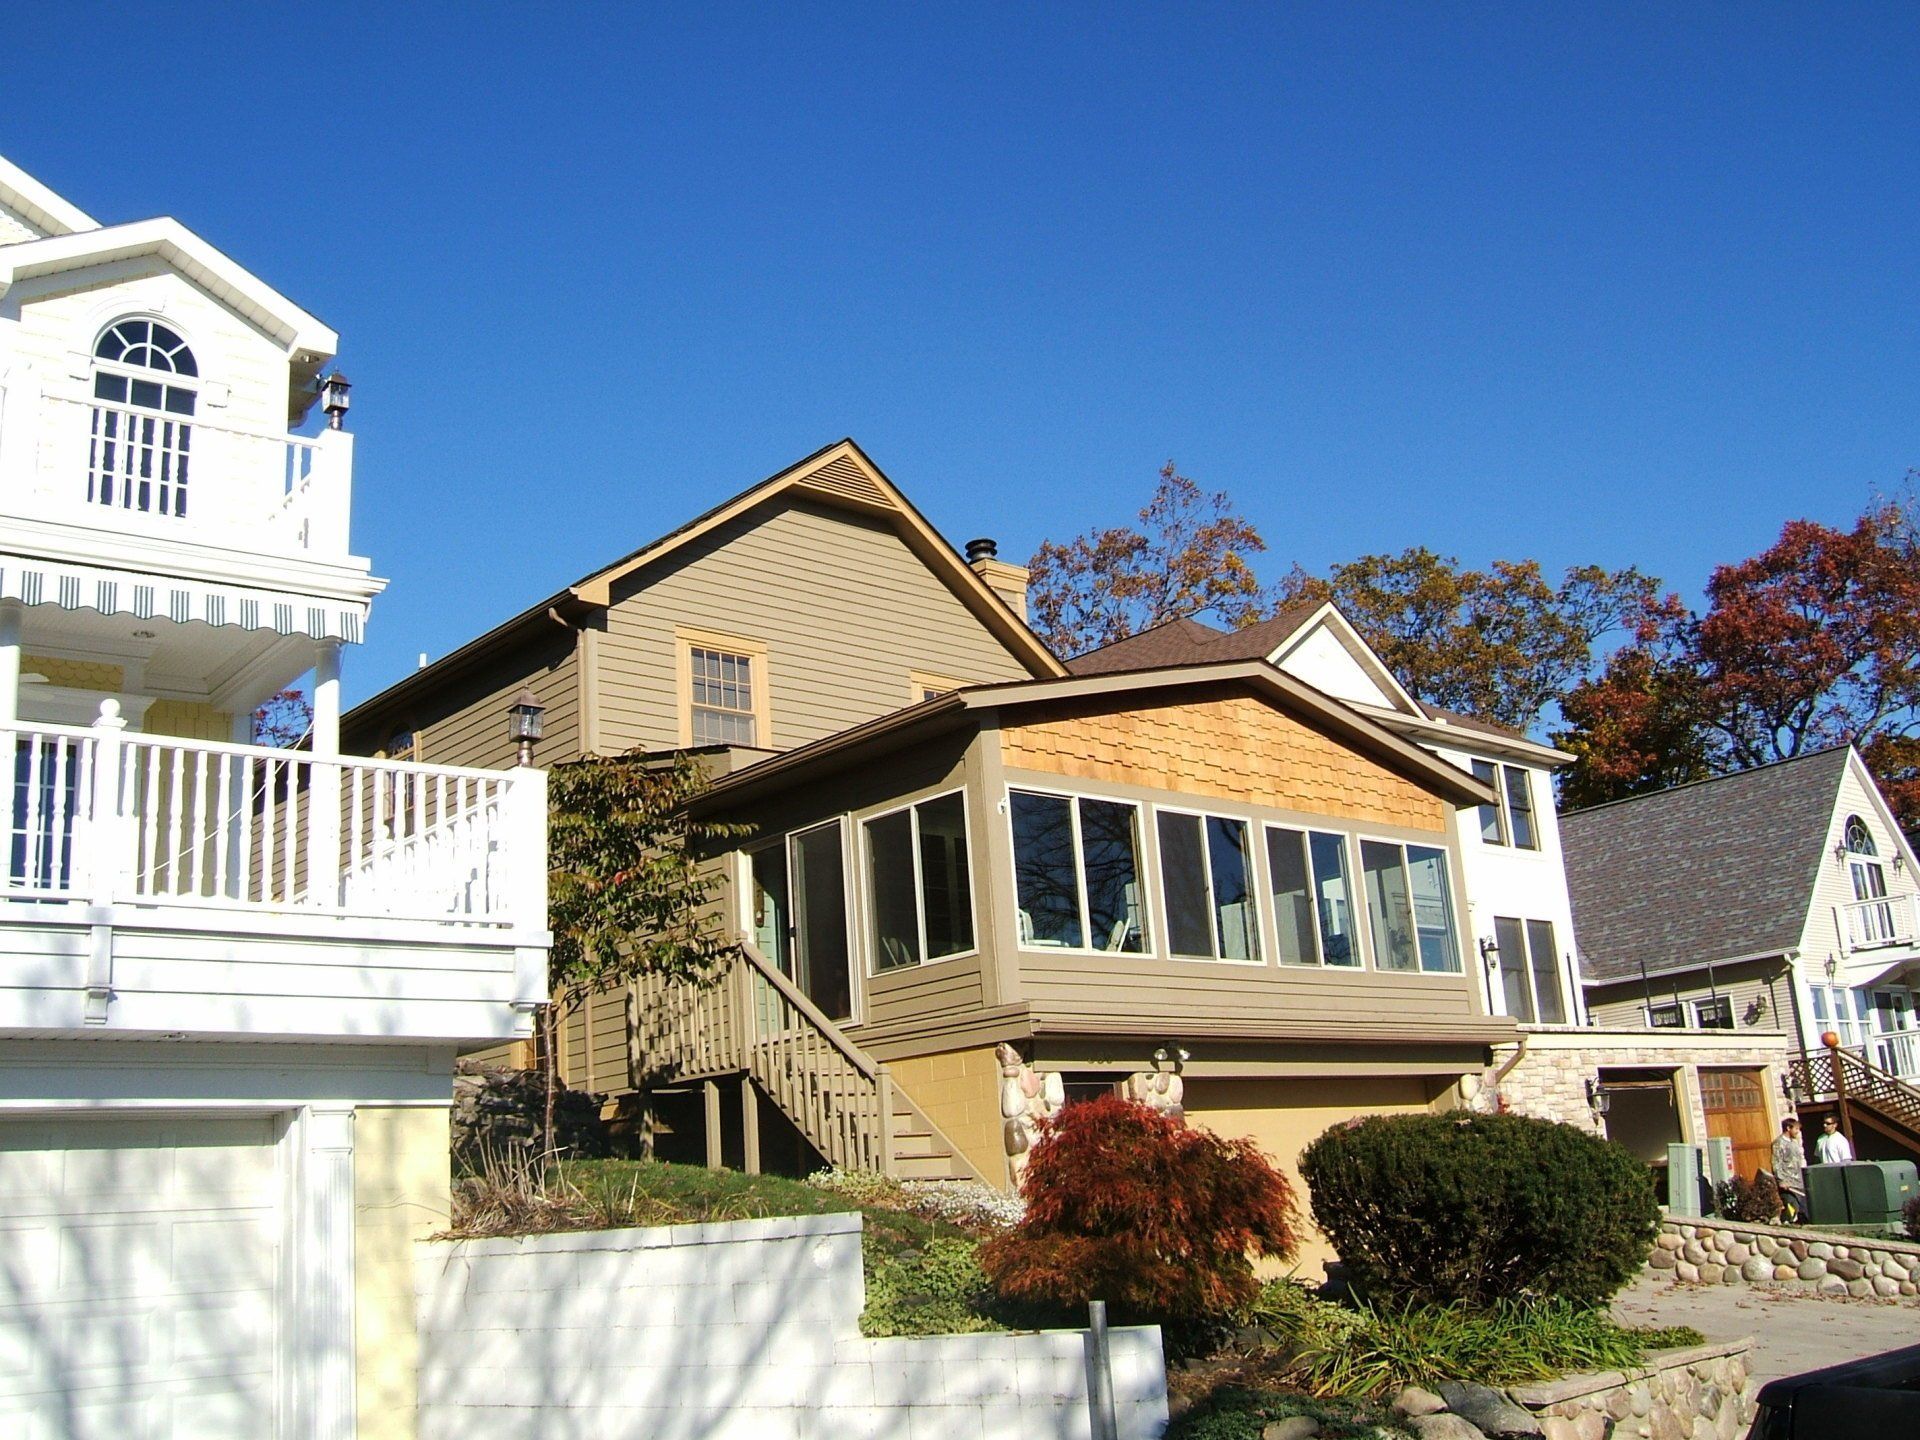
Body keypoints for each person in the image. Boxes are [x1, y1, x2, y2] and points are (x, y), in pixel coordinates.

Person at [1771, 1117, 1807, 1222]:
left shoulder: (1794, 1142)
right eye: (1796, 1129)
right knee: (1791, 1207)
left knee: (1802, 1208)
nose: (1798, 1131)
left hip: (1798, 1182)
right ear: (1788, 1128)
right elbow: (1776, 1162)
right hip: (1788, 1183)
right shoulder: (1779, 1143)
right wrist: (1781, 1180)